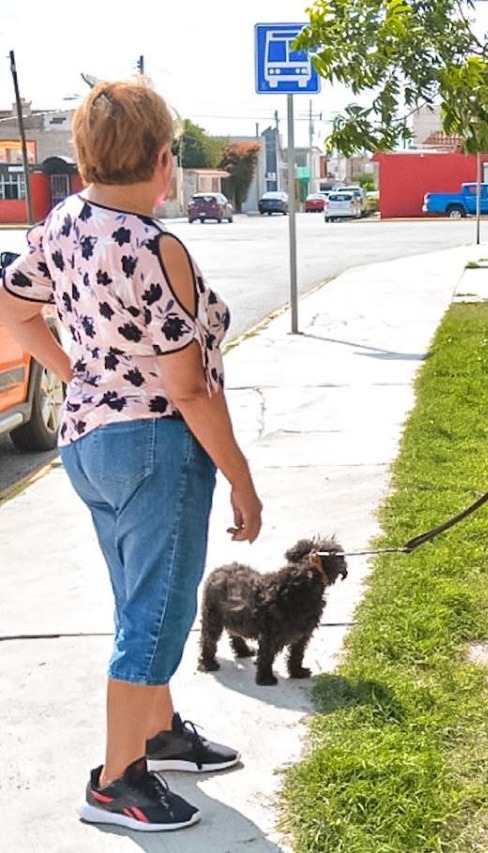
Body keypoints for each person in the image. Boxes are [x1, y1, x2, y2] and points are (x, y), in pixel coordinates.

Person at [0, 80, 262, 832]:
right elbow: (186, 385)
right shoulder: (156, 246)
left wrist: (72, 369)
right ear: (160, 160)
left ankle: (157, 733)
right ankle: (116, 781)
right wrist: (242, 478)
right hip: (156, 446)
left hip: (89, 444)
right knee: (154, 618)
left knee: (134, 599)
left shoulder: (63, 224)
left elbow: (11, 303)